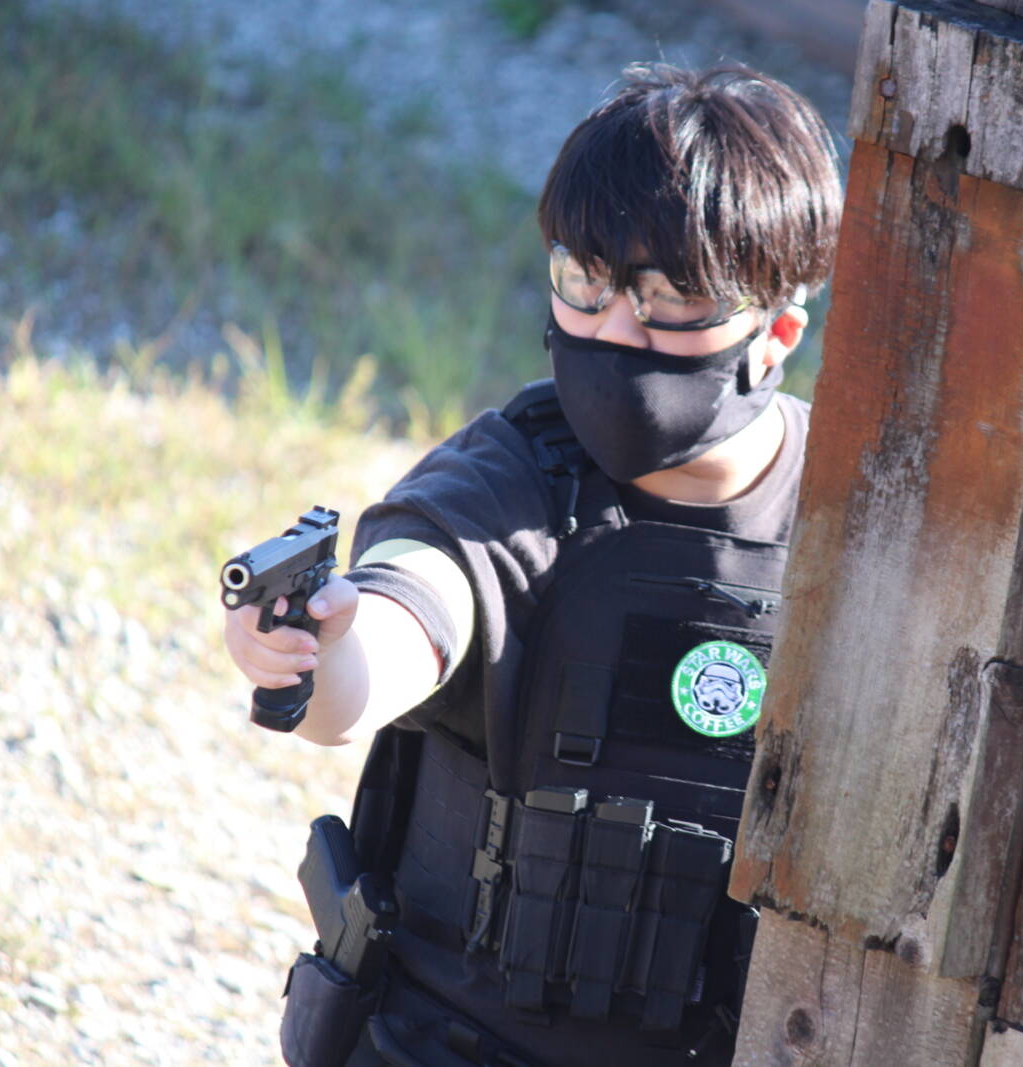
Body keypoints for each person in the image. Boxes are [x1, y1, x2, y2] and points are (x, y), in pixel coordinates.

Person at [224, 63, 843, 1067]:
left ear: (774, 332)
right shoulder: (511, 478)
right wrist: (310, 649)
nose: (614, 328)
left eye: (670, 297)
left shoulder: (862, 522)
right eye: (586, 282)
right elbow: (391, 631)